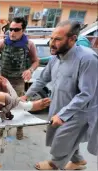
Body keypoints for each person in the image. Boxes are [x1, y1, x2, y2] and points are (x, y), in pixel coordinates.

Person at [21, 20, 98, 170]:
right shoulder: (56, 58)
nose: (52, 43)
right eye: (52, 38)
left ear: (72, 39)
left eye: (57, 39)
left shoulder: (87, 59)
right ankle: (79, 161)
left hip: (78, 112)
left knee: (62, 139)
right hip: (58, 105)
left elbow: (86, 94)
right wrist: (26, 96)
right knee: (66, 137)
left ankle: (55, 164)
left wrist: (63, 115)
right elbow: (43, 79)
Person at [0, 17, 40, 140]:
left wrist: (30, 70)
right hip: (3, 81)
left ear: (23, 30)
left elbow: (36, 61)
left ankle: (20, 127)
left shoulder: (29, 44)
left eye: (16, 30)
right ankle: (1, 127)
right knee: (2, 105)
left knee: (20, 106)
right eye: (10, 29)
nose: (12, 32)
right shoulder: (3, 43)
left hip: (18, 82)